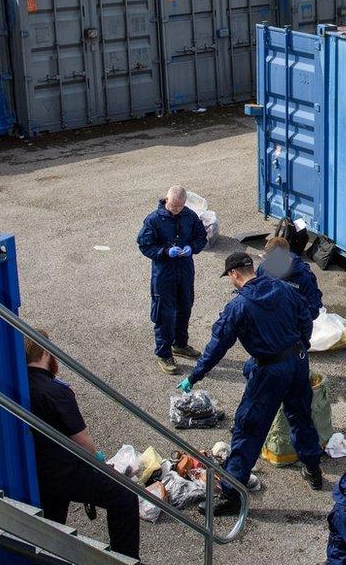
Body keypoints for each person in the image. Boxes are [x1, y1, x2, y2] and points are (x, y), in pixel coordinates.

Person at [177, 252, 323, 513]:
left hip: (269, 371)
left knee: (248, 428)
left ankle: (232, 494)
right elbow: (304, 317)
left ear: (234, 274)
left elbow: (217, 346)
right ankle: (313, 469)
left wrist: (194, 375)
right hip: (297, 361)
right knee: (301, 416)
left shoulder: (239, 306)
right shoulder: (282, 288)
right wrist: (302, 345)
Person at [24, 329, 141, 565]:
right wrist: (100, 460)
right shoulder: (56, 391)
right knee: (124, 496)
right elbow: (84, 445)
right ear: (47, 353)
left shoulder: (16, 385)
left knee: (51, 522)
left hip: (33, 470)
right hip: (63, 469)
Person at [136, 185, 208, 375]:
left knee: (185, 307)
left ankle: (180, 344)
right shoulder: (153, 220)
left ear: (184, 204)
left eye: (179, 207)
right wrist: (165, 252)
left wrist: (192, 248)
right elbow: (144, 245)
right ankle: (164, 353)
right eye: (173, 206)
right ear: (166, 199)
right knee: (164, 313)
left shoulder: (190, 216)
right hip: (164, 273)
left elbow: (201, 237)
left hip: (185, 270)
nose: (175, 210)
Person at [257, 235, 323, 320]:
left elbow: (313, 309)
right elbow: (255, 288)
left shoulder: (304, 277)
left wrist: (291, 317)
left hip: (292, 324)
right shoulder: (264, 268)